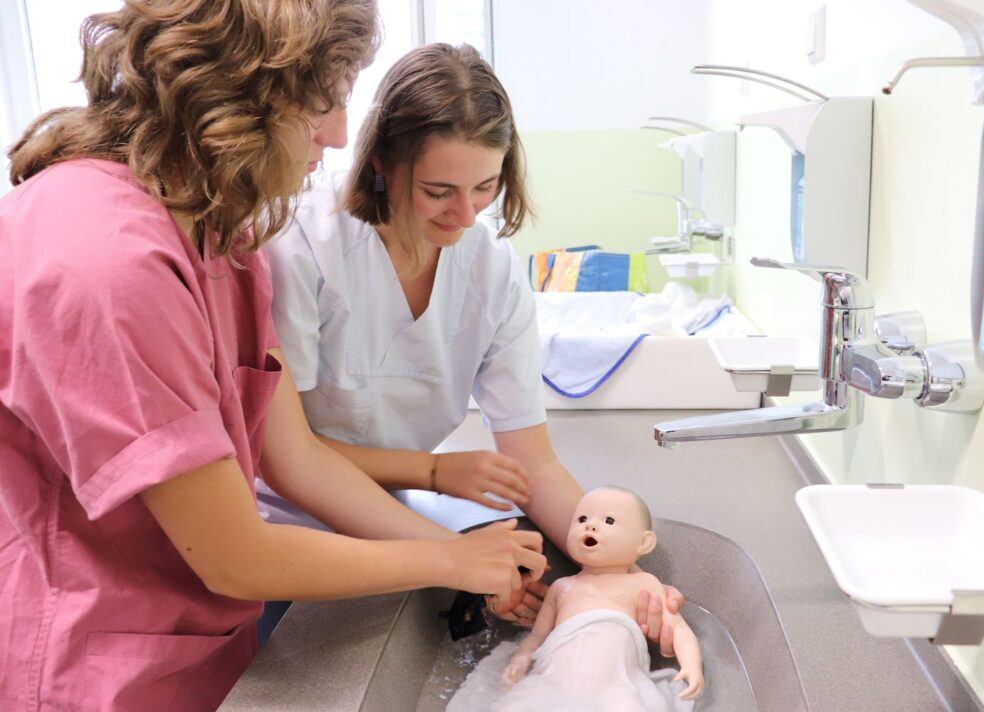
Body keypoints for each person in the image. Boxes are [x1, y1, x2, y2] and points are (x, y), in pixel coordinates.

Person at [0, 2, 547, 709]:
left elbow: (297, 459)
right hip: (100, 664)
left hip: (199, 649)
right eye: (324, 102)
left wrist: (468, 562)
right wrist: (446, 557)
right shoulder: (105, 261)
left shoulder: (222, 240)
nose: (340, 132)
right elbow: (236, 555)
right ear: (238, 94)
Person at [260, 41, 587, 626]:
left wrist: (606, 556)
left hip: (396, 522)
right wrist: (438, 495)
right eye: (438, 192)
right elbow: (287, 456)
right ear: (382, 161)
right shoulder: (302, 245)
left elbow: (532, 465)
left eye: (485, 187)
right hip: (288, 532)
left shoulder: (492, 268)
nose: (466, 215)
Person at [447, 487, 704, 711]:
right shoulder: (562, 587)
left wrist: (692, 665)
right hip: (555, 678)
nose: (590, 525)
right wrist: (521, 658)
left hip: (613, 683)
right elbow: (538, 636)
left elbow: (678, 628)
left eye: (609, 521)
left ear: (644, 542)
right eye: (581, 518)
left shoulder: (643, 583)